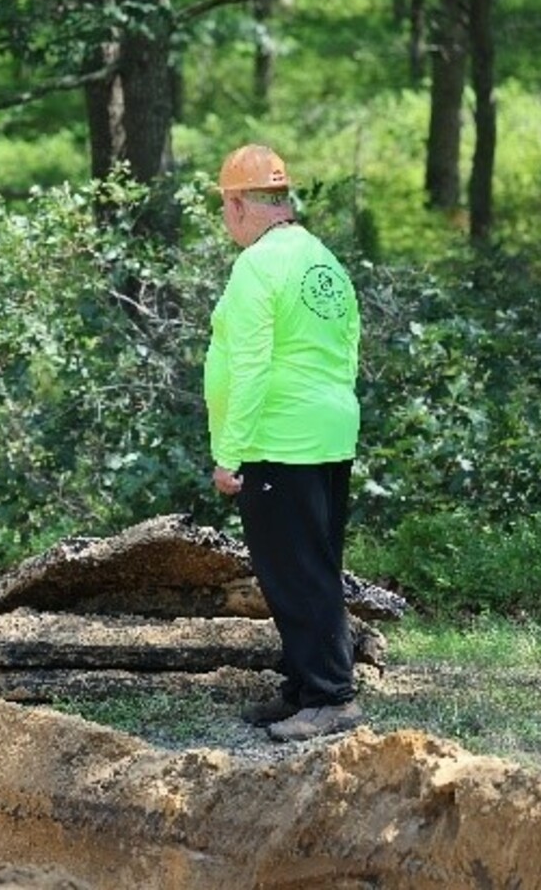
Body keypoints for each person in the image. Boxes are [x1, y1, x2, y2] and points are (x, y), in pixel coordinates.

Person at [204, 144, 364, 742]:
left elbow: (249, 367)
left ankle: (329, 696)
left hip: (279, 439)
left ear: (240, 204)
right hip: (326, 432)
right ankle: (302, 685)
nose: (227, 221)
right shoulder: (322, 260)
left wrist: (230, 452)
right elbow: (348, 348)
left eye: (225, 208)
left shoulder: (258, 266)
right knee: (312, 564)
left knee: (294, 572)